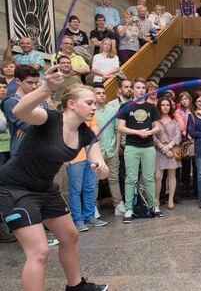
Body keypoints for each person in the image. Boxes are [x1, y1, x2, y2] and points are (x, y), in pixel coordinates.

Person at [0, 66, 109, 291]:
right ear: (71, 104)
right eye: (88, 102)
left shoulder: (86, 133)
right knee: (39, 251)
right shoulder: (49, 119)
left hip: (45, 189)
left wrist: (100, 167)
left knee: (69, 236)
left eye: (94, 103)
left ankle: (76, 286)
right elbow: (20, 111)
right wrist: (46, 87)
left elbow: (101, 163)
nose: (94, 106)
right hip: (15, 188)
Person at [117, 78, 162, 223]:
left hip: (148, 146)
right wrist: (137, 132)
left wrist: (149, 133)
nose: (141, 90)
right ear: (133, 89)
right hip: (132, 146)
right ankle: (129, 209)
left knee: (149, 178)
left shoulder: (151, 107)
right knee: (131, 178)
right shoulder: (126, 106)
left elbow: (157, 126)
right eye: (138, 87)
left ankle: (153, 206)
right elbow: (121, 127)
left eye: (143, 88)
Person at [92, 84, 124, 217]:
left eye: (103, 93)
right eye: (98, 93)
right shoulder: (90, 111)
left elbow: (118, 130)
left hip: (111, 150)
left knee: (114, 179)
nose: (101, 95)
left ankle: (118, 204)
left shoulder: (112, 110)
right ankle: (92, 206)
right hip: (96, 152)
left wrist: (117, 148)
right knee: (94, 180)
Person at [2, 65, 48, 157]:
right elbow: (26, 125)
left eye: (36, 83)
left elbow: (52, 123)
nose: (34, 86)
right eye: (30, 83)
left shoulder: (42, 101)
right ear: (18, 81)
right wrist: (42, 124)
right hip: (21, 150)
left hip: (42, 150)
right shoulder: (11, 101)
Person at [154, 98, 181, 211]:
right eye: (163, 105)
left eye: (167, 105)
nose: (165, 107)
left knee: (171, 176)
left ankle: (170, 199)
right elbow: (153, 136)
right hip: (159, 150)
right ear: (159, 106)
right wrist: (163, 148)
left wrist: (169, 146)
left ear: (171, 107)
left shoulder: (174, 120)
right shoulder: (155, 120)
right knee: (158, 177)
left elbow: (177, 136)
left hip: (172, 150)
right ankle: (156, 200)